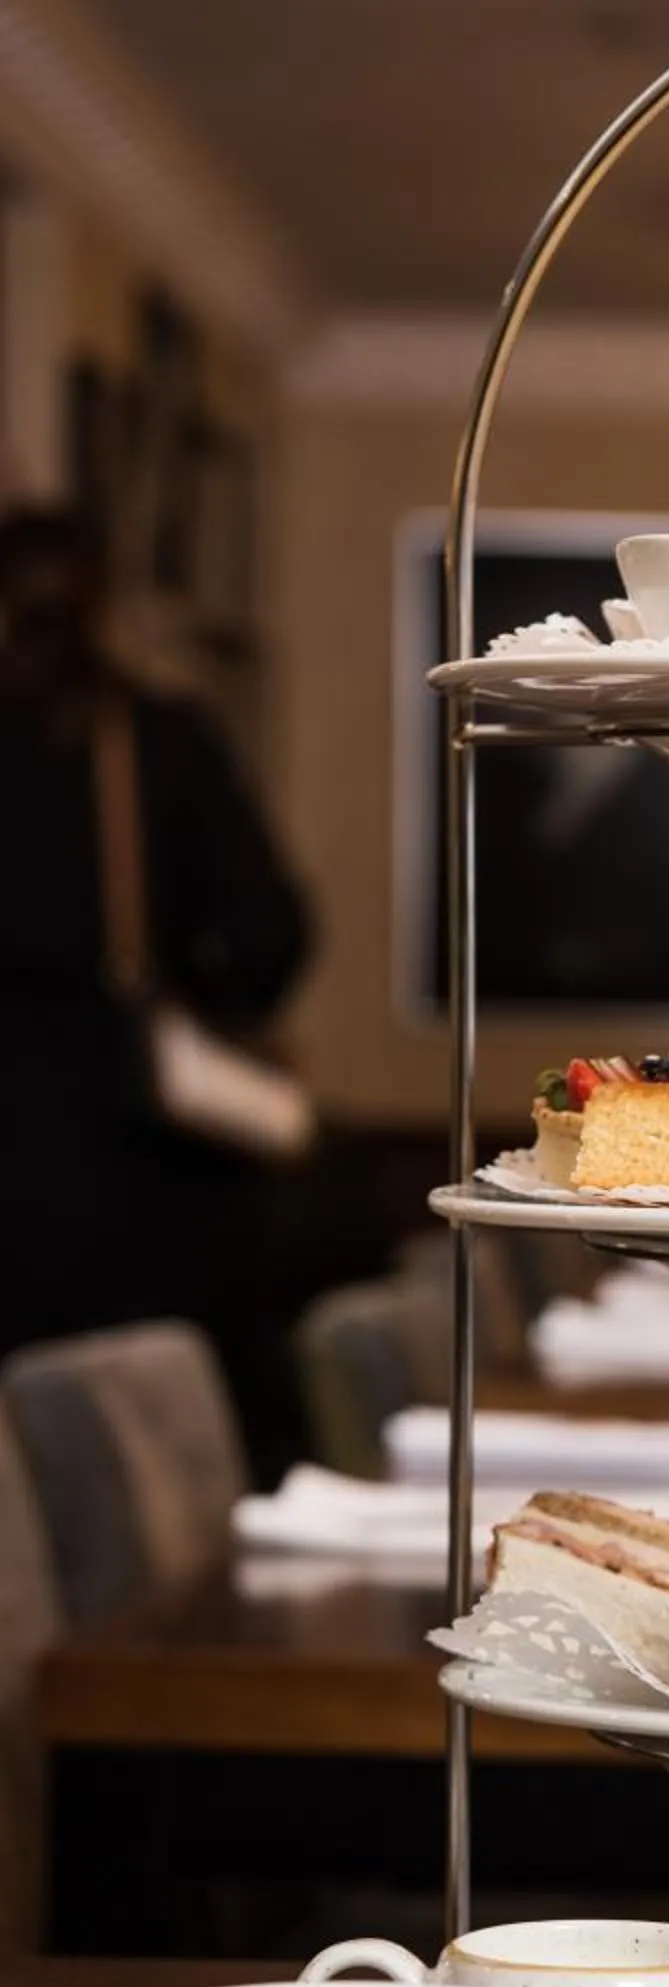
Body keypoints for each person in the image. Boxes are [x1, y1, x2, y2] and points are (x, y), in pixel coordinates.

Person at [0, 507, 313, 1470]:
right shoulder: (153, 741)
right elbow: (274, 936)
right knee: (131, 1455)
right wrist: (198, 999)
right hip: (124, 1147)